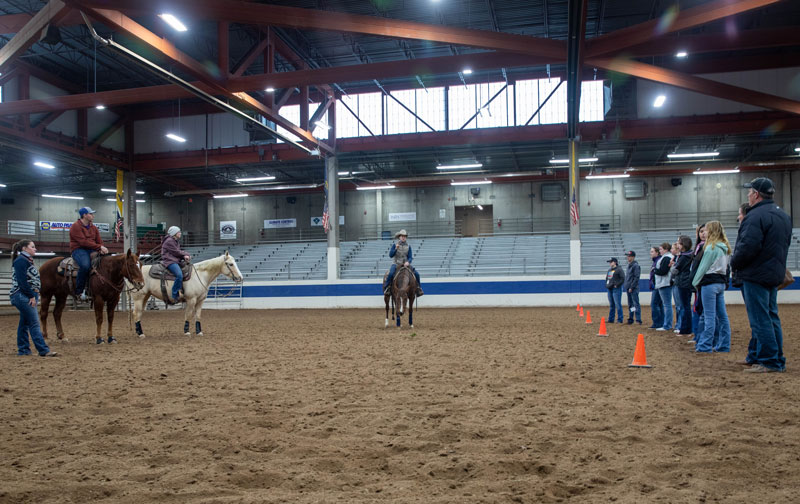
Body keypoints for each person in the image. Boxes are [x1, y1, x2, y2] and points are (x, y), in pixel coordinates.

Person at [731, 177, 792, 373]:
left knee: (760, 319)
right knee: (771, 316)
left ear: (756, 194)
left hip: (755, 274)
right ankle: (763, 356)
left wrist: (734, 262)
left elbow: (748, 247)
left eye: (750, 192)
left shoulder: (755, 216)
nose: (748, 195)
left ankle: (768, 361)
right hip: (773, 273)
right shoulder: (782, 215)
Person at [10, 240, 58, 357]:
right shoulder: (21, 261)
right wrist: (31, 295)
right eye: (32, 247)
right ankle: (43, 350)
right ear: (24, 249)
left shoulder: (25, 261)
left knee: (24, 324)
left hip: (25, 295)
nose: (35, 249)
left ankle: (23, 350)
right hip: (23, 295)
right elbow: (22, 281)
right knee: (34, 323)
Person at [692, 221, 732, 353]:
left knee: (709, 315)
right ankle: (724, 345)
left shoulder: (710, 248)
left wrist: (695, 282)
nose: (704, 232)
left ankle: (705, 345)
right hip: (720, 282)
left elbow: (702, 268)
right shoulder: (725, 248)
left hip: (709, 283)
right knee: (722, 316)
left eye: (707, 230)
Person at [69, 206, 108, 300]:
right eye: (90, 214)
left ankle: (96, 289)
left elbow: (99, 240)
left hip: (91, 249)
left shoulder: (93, 227)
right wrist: (99, 247)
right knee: (85, 265)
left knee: (104, 262)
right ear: (84, 215)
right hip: (79, 249)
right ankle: (79, 291)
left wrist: (101, 248)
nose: (92, 215)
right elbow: (82, 242)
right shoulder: (75, 226)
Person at [382, 229, 423, 297]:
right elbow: (390, 255)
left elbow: (410, 257)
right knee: (391, 273)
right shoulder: (395, 245)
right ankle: (387, 288)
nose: (403, 237)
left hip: (405, 264)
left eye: (405, 236)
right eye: (402, 236)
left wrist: (408, 262)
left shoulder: (408, 246)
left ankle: (418, 289)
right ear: (399, 237)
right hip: (396, 263)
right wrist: (396, 249)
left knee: (417, 274)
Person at [161, 226, 191, 304]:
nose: (180, 233)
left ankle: (183, 291)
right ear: (174, 233)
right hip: (169, 261)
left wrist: (184, 256)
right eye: (179, 232)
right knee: (179, 275)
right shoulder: (169, 241)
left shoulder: (175, 240)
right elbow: (176, 252)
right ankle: (174, 295)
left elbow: (177, 252)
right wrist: (186, 254)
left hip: (175, 260)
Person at [670, 235, 694, 335]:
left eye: (679, 243)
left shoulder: (684, 257)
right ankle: (686, 328)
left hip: (683, 282)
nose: (677, 245)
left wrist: (673, 266)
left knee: (684, 307)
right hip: (686, 282)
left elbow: (675, 270)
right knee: (685, 306)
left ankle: (685, 328)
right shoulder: (689, 255)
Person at [653, 242, 674, 331]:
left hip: (664, 283)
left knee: (667, 305)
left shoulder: (666, 258)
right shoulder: (665, 257)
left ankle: (667, 325)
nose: (660, 251)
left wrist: (655, 270)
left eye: (661, 249)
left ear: (666, 250)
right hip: (663, 283)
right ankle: (666, 324)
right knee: (666, 305)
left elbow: (663, 271)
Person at [623, 251, 641, 325]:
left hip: (633, 288)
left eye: (629, 256)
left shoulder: (635, 266)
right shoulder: (629, 265)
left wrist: (632, 287)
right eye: (628, 256)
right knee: (631, 304)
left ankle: (638, 319)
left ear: (633, 257)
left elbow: (636, 277)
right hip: (629, 287)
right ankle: (631, 318)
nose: (628, 257)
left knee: (635, 303)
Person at [648, 246, 664, 329]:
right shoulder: (656, 261)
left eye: (652, 251)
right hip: (657, 285)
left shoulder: (657, 261)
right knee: (659, 304)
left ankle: (657, 323)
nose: (651, 253)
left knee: (654, 304)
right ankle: (661, 322)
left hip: (657, 286)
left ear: (657, 253)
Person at [605, 257, 625, 323]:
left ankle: (620, 319)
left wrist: (617, 285)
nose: (610, 263)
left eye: (611, 262)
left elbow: (622, 278)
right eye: (610, 262)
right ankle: (611, 319)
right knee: (612, 305)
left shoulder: (619, 269)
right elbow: (607, 279)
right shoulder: (609, 270)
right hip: (610, 288)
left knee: (617, 304)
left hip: (616, 289)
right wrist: (607, 285)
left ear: (615, 262)